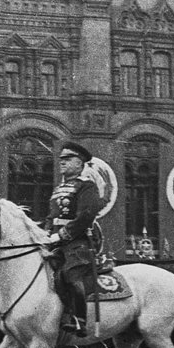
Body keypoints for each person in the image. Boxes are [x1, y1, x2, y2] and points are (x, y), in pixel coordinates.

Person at [44, 141, 102, 337]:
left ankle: (79, 319)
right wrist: (46, 233)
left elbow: (86, 215)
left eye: (68, 159)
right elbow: (51, 216)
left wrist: (62, 234)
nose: (62, 162)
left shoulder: (87, 186)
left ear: (80, 163)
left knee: (71, 274)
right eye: (61, 159)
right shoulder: (58, 189)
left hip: (77, 242)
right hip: (55, 242)